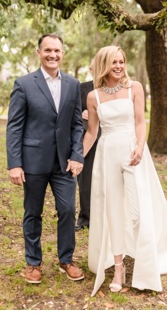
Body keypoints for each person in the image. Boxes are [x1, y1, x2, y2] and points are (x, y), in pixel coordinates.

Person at [83, 44, 167, 295]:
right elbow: (92, 133)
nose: (118, 66)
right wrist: (77, 158)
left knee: (139, 208)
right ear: (103, 64)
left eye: (121, 61)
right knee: (112, 209)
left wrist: (140, 146)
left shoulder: (134, 89)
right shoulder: (93, 96)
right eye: (113, 62)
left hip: (133, 153)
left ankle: (146, 263)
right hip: (107, 155)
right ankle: (117, 268)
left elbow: (139, 122)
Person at [5, 34, 87, 285]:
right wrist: (15, 163)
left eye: (58, 50)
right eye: (48, 50)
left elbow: (76, 124)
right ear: (39, 52)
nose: (53, 55)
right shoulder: (24, 84)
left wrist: (77, 155)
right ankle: (33, 263)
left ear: (63, 53)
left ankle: (66, 260)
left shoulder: (74, 85)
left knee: (67, 209)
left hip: (64, 163)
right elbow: (14, 127)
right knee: (32, 212)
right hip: (33, 161)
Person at [76, 71, 97, 231]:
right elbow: (72, 111)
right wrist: (82, 114)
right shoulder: (83, 88)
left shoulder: (117, 88)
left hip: (109, 137)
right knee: (86, 180)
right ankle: (85, 218)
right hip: (88, 137)